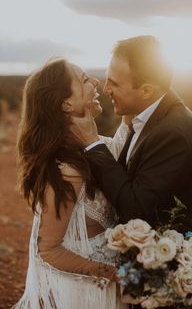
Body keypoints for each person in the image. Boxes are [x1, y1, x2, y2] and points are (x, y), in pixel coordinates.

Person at [70, 35, 192, 309]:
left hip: (174, 282)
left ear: (147, 90)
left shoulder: (173, 132)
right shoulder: (147, 116)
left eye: (114, 83)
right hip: (149, 270)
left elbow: (135, 206)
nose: (105, 89)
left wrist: (93, 144)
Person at [13, 58, 129, 309]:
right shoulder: (67, 171)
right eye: (85, 79)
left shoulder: (95, 146)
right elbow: (49, 250)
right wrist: (115, 275)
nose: (96, 82)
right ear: (66, 103)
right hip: (84, 292)